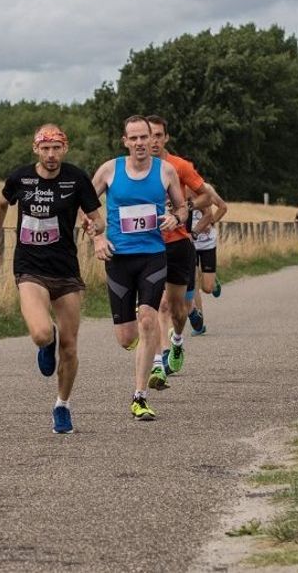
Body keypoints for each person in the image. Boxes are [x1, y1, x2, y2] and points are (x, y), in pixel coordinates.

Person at [0, 124, 104, 434]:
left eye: (56, 148)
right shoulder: (20, 178)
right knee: (41, 334)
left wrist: (95, 228)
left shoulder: (77, 178)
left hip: (66, 271)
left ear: (65, 149)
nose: (51, 155)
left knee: (70, 346)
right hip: (30, 268)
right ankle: (45, 342)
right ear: (36, 149)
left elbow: (98, 219)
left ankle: (62, 406)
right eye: (45, 149)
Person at [88, 115, 187, 420]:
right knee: (126, 337)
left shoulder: (165, 171)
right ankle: (144, 346)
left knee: (148, 319)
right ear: (125, 142)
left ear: (152, 139)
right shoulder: (109, 170)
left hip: (153, 255)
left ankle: (140, 396)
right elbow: (86, 206)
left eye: (145, 137)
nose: (141, 143)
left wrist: (176, 218)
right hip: (118, 259)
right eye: (134, 139)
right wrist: (99, 236)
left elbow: (182, 207)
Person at [146, 116, 219, 383]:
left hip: (178, 243)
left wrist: (185, 209)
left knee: (179, 310)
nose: (152, 141)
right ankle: (159, 359)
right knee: (156, 305)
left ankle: (177, 341)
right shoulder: (137, 168)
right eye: (147, 135)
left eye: (157, 135)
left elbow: (206, 196)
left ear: (165, 138)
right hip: (148, 245)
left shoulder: (180, 166)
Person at [187, 183, 228, 336]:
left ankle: (213, 280)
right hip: (190, 243)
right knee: (194, 281)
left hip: (207, 243)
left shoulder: (207, 189)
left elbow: (223, 207)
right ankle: (199, 323)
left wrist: (210, 222)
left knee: (207, 288)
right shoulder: (176, 188)